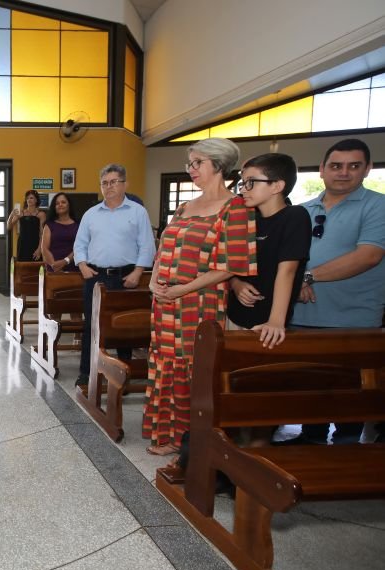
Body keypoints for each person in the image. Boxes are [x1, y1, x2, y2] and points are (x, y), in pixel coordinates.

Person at [142, 138, 256, 457]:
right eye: (189, 164)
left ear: (218, 165)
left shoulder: (236, 208)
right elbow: (163, 249)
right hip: (164, 302)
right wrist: (153, 283)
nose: (191, 170)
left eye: (198, 163)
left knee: (192, 367)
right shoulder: (184, 207)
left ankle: (189, 439)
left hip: (198, 302)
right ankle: (164, 433)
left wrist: (183, 288)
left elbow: (232, 265)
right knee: (165, 362)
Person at [291, 138, 385, 444]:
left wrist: (307, 277)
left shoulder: (377, 205)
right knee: (308, 386)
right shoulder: (302, 210)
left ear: (367, 169)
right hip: (302, 315)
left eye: (354, 166)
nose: (343, 173)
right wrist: (297, 282)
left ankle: (346, 444)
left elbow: (369, 255)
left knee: (350, 390)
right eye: (336, 166)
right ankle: (310, 438)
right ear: (321, 170)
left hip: (351, 318)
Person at [73, 164, 156, 387]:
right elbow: (80, 244)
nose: (108, 187)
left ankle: (124, 372)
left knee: (124, 326)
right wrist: (81, 264)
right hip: (95, 276)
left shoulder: (137, 212)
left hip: (126, 276)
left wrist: (138, 272)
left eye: (113, 182)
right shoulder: (91, 214)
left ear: (124, 184)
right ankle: (86, 372)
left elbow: (147, 245)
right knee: (91, 325)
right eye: (104, 183)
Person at [228, 153, 311, 348]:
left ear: (277, 186)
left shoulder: (294, 216)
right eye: (243, 183)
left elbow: (287, 271)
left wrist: (276, 321)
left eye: (251, 182)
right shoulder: (246, 218)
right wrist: (236, 284)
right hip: (233, 315)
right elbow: (229, 263)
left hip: (267, 322)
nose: (243, 189)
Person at [40, 192, 78, 272]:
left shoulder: (78, 225)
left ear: (69, 205)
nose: (60, 204)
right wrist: (54, 265)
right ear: (54, 207)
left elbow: (80, 247)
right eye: (57, 203)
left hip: (74, 267)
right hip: (53, 269)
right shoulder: (49, 225)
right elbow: (44, 248)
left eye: (63, 202)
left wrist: (65, 261)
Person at [6, 189, 45, 261]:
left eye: (31, 198)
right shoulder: (21, 213)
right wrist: (11, 215)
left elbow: (42, 234)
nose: (29, 200)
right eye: (27, 198)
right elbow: (9, 227)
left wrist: (39, 249)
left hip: (35, 244)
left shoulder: (41, 214)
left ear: (36, 200)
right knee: (22, 268)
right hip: (22, 244)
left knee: (36, 268)